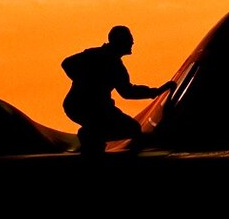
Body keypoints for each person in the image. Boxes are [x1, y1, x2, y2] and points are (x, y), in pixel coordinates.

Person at [60, 25, 175, 155]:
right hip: (86, 107)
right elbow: (66, 63)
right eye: (129, 39)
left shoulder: (114, 64)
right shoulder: (97, 56)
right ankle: (90, 134)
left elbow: (127, 92)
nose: (132, 42)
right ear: (120, 41)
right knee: (132, 129)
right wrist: (85, 80)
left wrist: (155, 92)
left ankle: (92, 135)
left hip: (88, 107)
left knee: (130, 128)